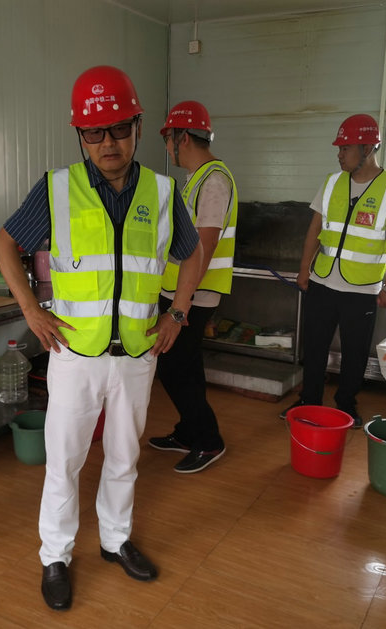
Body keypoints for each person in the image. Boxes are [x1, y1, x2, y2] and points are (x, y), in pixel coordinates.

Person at [0, 65, 202, 612]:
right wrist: (31, 310)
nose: (108, 143)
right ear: (80, 136)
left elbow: (192, 252)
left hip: (136, 353)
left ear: (137, 127)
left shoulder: (162, 192)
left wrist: (177, 314)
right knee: (64, 461)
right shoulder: (57, 189)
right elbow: (4, 244)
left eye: (119, 129)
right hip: (74, 354)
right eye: (94, 132)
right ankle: (55, 556)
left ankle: (115, 539)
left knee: (124, 456)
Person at [280, 114, 386, 427]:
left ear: (367, 148)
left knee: (355, 354)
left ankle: (346, 406)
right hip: (322, 282)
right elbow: (314, 230)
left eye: (345, 148)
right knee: (314, 347)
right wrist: (304, 270)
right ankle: (309, 400)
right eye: (339, 148)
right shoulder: (332, 182)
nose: (339, 154)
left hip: (362, 289)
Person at [148, 100, 237, 473]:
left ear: (181, 137)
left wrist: (178, 308)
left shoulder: (213, 181)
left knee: (175, 368)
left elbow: (205, 246)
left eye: (168, 139)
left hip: (193, 296)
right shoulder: (195, 179)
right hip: (181, 292)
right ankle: (188, 431)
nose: (168, 147)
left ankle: (208, 440)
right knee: (181, 367)